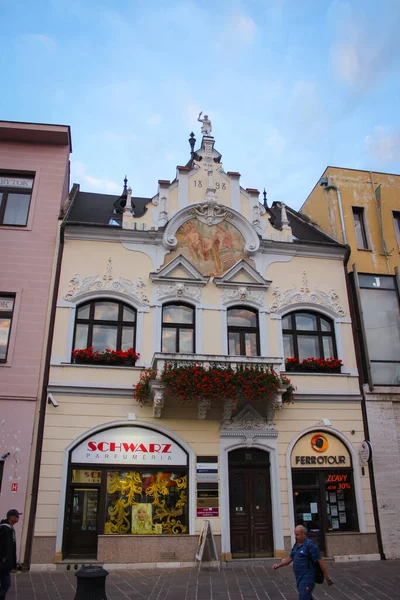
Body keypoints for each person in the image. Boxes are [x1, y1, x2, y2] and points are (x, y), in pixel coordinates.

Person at [273, 525, 333, 600]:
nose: (296, 536)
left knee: (304, 596)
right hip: (299, 578)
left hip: (308, 578)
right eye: (295, 534)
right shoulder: (296, 545)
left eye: (297, 535)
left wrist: (327, 577)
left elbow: (320, 561)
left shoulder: (310, 545)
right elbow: (290, 558)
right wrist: (279, 565)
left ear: (304, 534)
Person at [0, 509, 22, 599]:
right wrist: (4, 559)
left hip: (6, 563)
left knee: (5, 584)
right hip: (3, 563)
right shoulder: (3, 529)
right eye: (17, 516)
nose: (18, 518)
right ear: (11, 517)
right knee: (6, 584)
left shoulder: (10, 529)